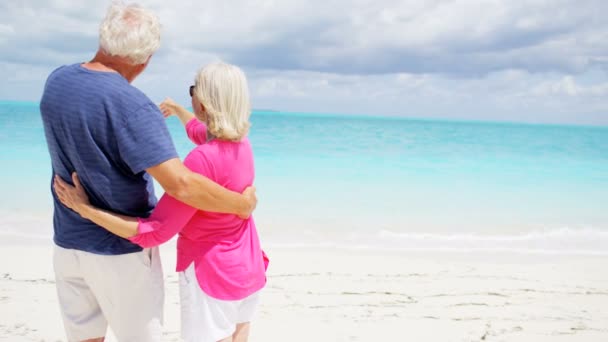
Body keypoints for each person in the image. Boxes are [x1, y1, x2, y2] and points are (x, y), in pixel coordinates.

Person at [39, 3, 256, 342]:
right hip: (120, 252)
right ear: (145, 59)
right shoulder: (134, 106)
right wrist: (241, 205)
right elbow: (182, 185)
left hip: (68, 242)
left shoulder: (57, 83)